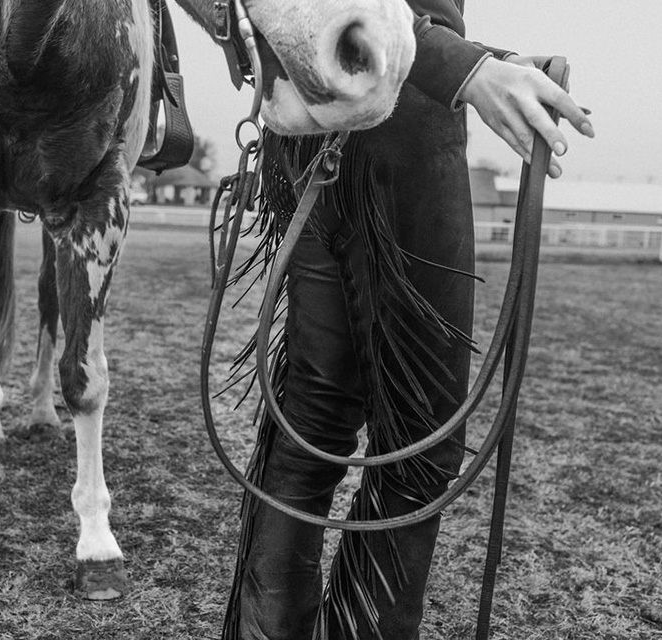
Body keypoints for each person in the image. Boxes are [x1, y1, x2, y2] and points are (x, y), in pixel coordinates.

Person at [221, 2, 595, 639]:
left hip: (304, 121)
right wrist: (463, 67)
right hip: (400, 123)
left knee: (312, 413)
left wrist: (483, 63)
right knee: (421, 445)